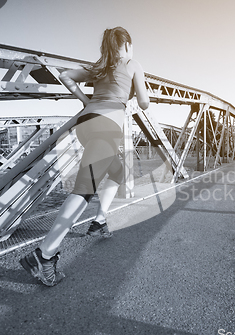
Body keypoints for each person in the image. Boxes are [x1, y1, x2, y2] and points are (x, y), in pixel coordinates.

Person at [20, 27, 150, 286]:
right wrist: (133, 94)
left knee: (118, 171)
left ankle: (99, 220)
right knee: (83, 191)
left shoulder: (100, 67)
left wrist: (86, 100)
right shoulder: (133, 63)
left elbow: (66, 75)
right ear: (127, 45)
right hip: (107, 126)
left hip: (87, 122)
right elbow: (144, 103)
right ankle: (44, 255)